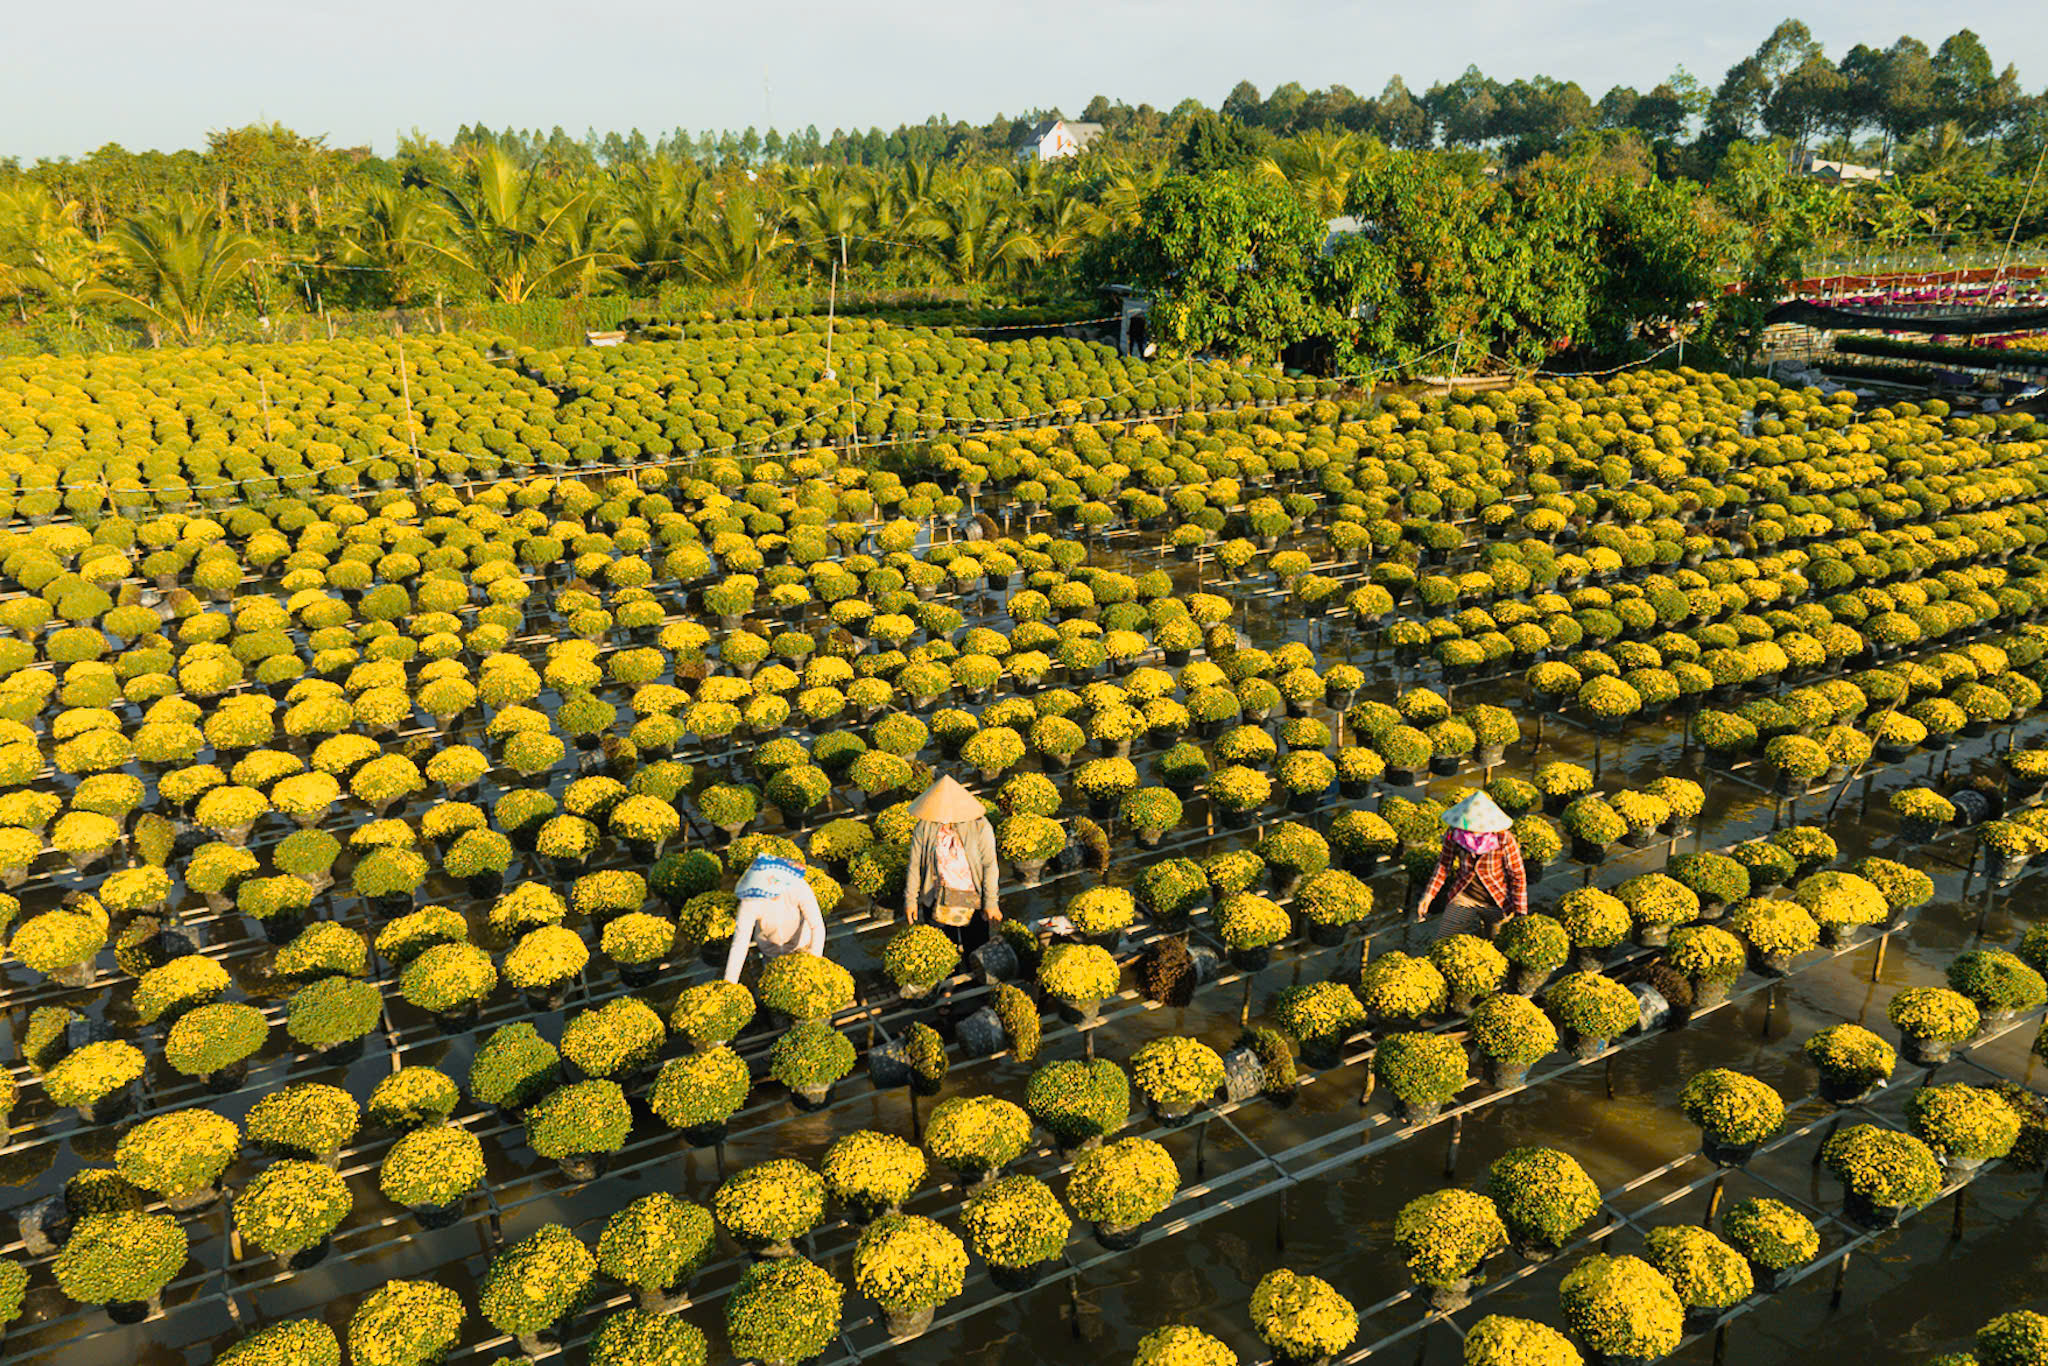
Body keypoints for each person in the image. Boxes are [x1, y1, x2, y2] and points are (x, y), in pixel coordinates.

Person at [902, 774, 1001, 955]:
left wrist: (991, 902)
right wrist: (910, 901)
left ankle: (973, 981)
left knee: (977, 949)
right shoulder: (924, 827)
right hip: (936, 898)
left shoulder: (980, 826)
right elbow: (915, 865)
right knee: (944, 952)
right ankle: (950, 982)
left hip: (972, 900)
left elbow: (989, 865)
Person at [1414, 791, 1526, 939]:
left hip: (1497, 900)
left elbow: (1517, 875)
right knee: (1443, 939)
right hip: (1465, 895)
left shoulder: (1504, 839)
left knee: (1497, 944)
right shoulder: (1454, 834)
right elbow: (1443, 865)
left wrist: (1520, 913)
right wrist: (1428, 896)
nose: (1472, 831)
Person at [722, 849, 827, 984]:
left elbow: (817, 926)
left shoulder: (798, 886)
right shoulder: (750, 901)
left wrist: (814, 962)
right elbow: (740, 943)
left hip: (801, 945)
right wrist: (729, 983)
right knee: (777, 983)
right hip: (770, 950)